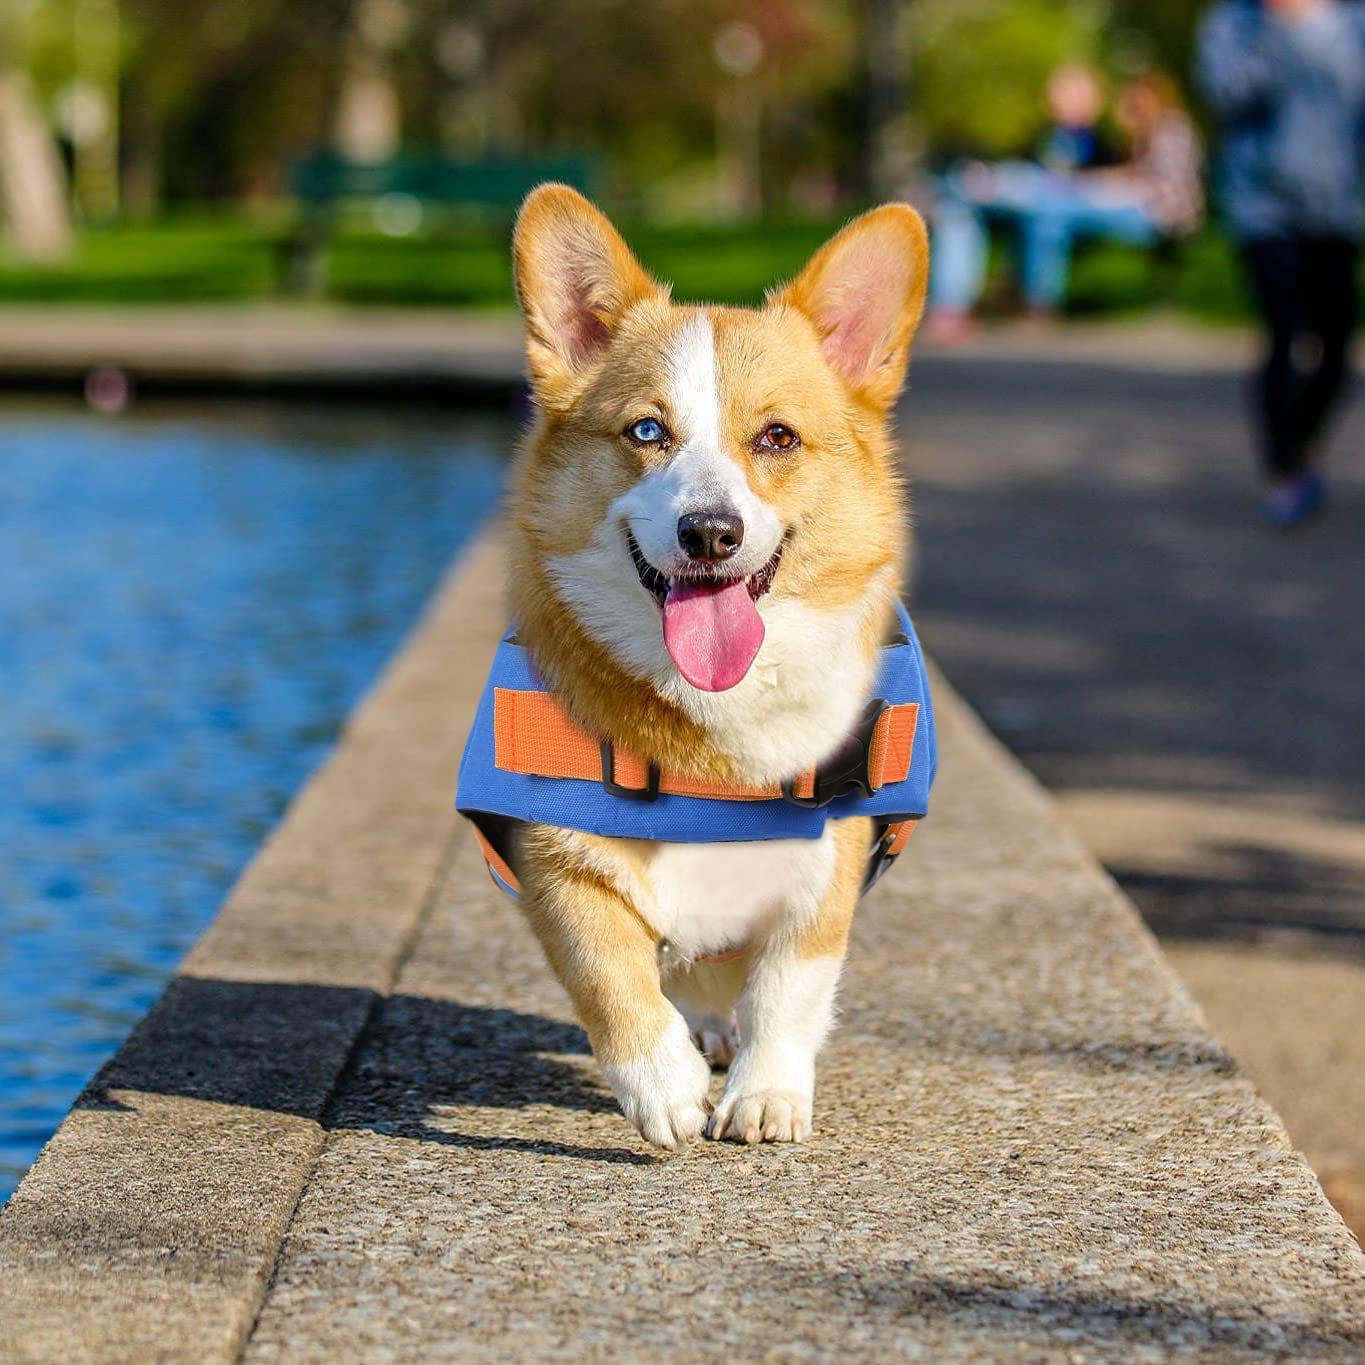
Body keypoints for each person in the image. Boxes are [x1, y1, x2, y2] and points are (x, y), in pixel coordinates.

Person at [1198, 0, 1365, 527]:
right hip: (1263, 209)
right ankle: (1283, 470)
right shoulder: (1234, 22)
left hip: (1337, 207)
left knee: (1337, 347)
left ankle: (1302, 442)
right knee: (1285, 334)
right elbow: (1227, 93)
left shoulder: (1355, 20)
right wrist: (1279, 29)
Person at [928, 65, 1203, 340]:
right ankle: (957, 305)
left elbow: (1154, 186)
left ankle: (1032, 302)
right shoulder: (1048, 134)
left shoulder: (1164, 130)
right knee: (966, 208)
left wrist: (1099, 180)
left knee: (1048, 210)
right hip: (1054, 201)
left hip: (1159, 215)